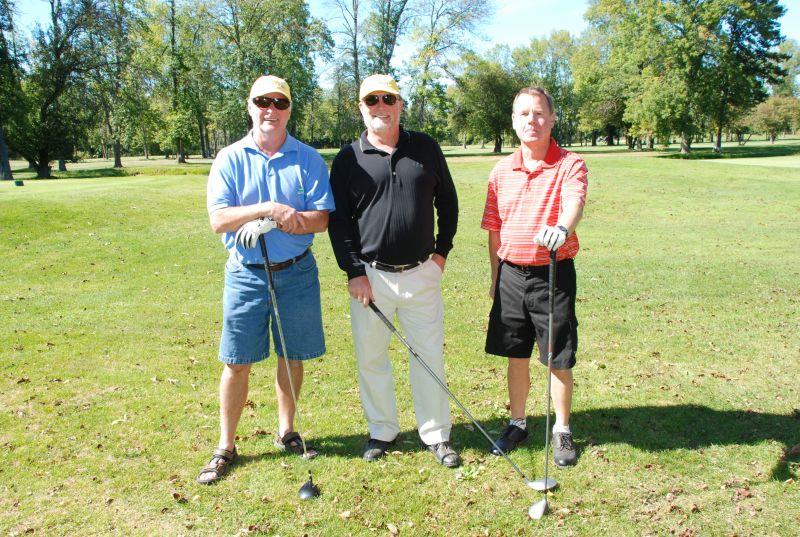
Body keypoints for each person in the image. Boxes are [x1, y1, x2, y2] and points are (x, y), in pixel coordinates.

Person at [197, 75, 335, 484]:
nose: (270, 110)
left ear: (289, 110)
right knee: (236, 360)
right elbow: (218, 219)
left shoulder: (308, 158)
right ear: (250, 106)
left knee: (291, 356)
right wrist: (268, 209)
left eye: (279, 102)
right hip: (246, 275)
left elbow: (322, 218)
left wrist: (291, 220)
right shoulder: (229, 158)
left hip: (297, 272)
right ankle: (226, 445)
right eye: (262, 102)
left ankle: (286, 431)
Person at [327, 74, 461, 468]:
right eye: (372, 100)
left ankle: (436, 434)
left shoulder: (425, 147)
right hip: (371, 278)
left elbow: (448, 202)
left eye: (388, 98)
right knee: (372, 358)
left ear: (400, 104)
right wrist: (353, 271)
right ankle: (382, 430)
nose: (381, 106)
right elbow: (339, 221)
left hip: (422, 273)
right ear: (361, 107)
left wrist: (441, 254)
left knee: (428, 356)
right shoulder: (349, 158)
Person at [481, 86, 588, 468]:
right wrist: (495, 278)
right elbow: (494, 230)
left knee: (558, 356)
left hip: (552, 275)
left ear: (552, 118)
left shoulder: (570, 163)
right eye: (524, 114)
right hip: (511, 275)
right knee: (515, 354)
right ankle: (518, 423)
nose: (532, 120)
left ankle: (562, 429)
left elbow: (574, 202)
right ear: (514, 121)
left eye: (539, 113)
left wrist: (562, 227)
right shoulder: (500, 171)